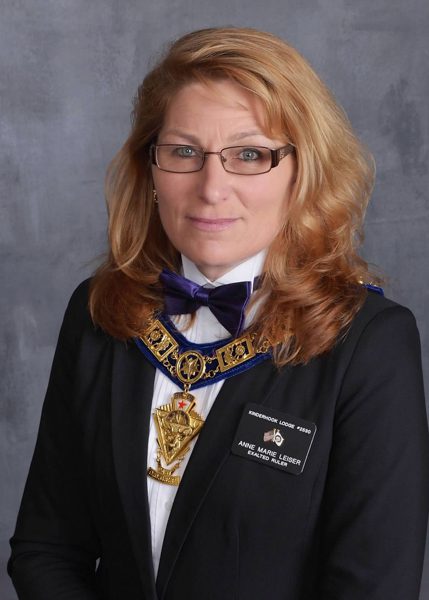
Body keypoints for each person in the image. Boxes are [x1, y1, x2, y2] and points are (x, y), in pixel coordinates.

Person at [8, 27, 429, 600]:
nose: (211, 188)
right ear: (151, 169)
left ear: (303, 173)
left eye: (250, 154)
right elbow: (47, 549)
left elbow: (373, 587)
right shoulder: (99, 312)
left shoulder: (370, 342)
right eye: (184, 152)